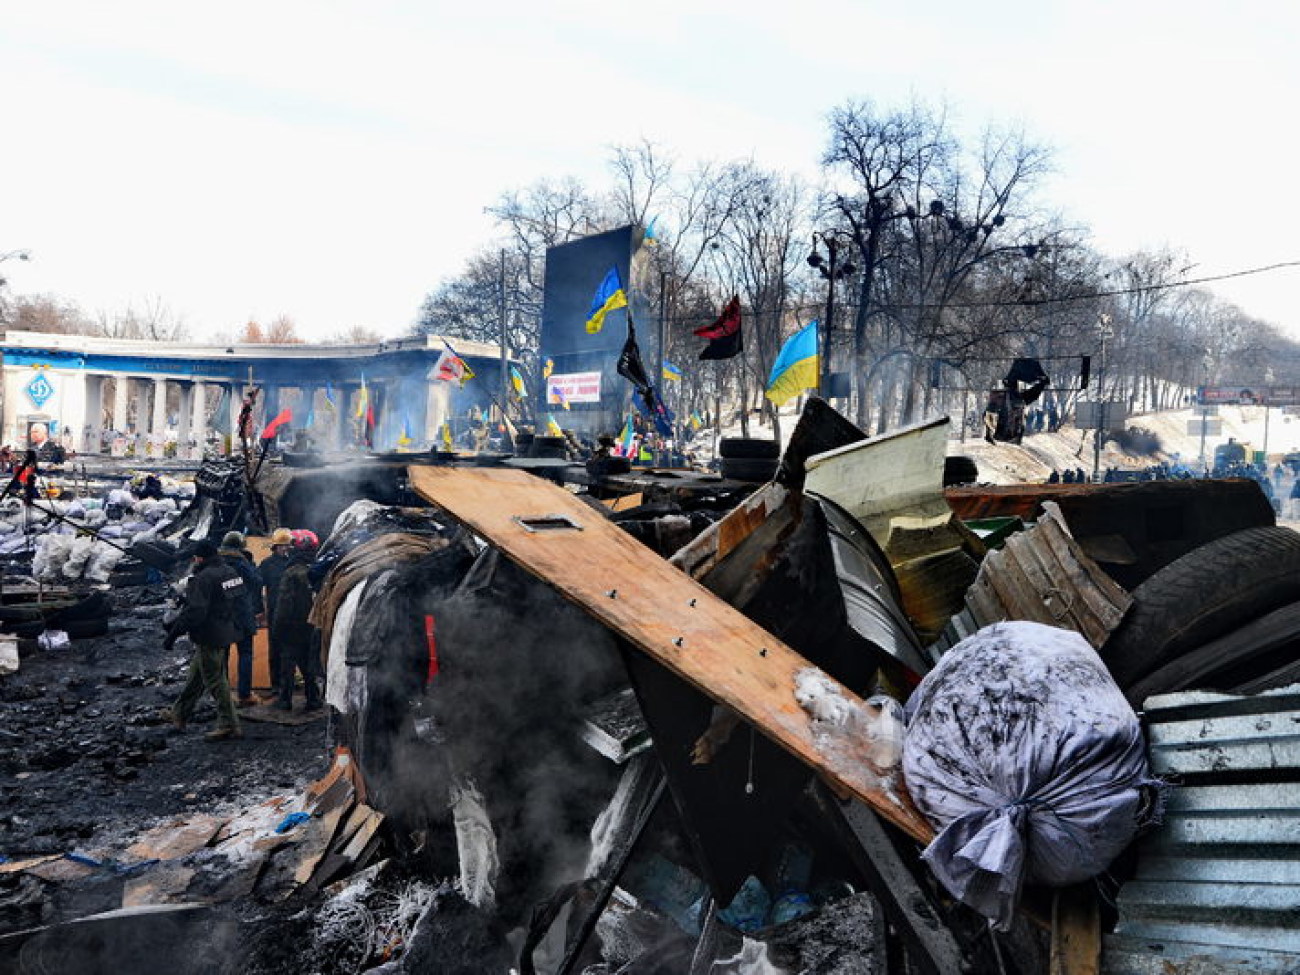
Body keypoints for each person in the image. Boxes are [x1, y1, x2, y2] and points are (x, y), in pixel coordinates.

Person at [161, 540, 247, 741]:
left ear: (199, 557)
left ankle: (229, 724)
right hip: (227, 631)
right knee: (197, 676)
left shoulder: (203, 578)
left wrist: (173, 634)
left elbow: (195, 613)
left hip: (209, 635)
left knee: (215, 680)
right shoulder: (231, 572)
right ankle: (179, 713)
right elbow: (240, 600)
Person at [273, 530, 322, 711]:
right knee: (309, 663)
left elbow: (284, 604)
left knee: (288, 664)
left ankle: (285, 700)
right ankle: (313, 699)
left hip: (292, 627)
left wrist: (277, 629)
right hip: (312, 626)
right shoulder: (318, 570)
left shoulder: (292, 573)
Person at [219, 531, 264, 707]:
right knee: (245, 653)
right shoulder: (241, 563)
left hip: (222, 617)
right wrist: (251, 564)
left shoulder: (216, 563)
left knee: (222, 655)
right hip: (242, 615)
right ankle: (244, 694)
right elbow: (257, 581)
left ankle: (222, 694)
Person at [259, 527, 294, 696]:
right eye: (283, 546)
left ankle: (289, 682)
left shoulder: (292, 563)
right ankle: (276, 684)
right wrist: (260, 610)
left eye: (288, 546)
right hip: (274, 612)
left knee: (291, 648)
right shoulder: (266, 565)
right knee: (275, 649)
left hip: (291, 612)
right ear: (275, 547)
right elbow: (258, 587)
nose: (286, 548)